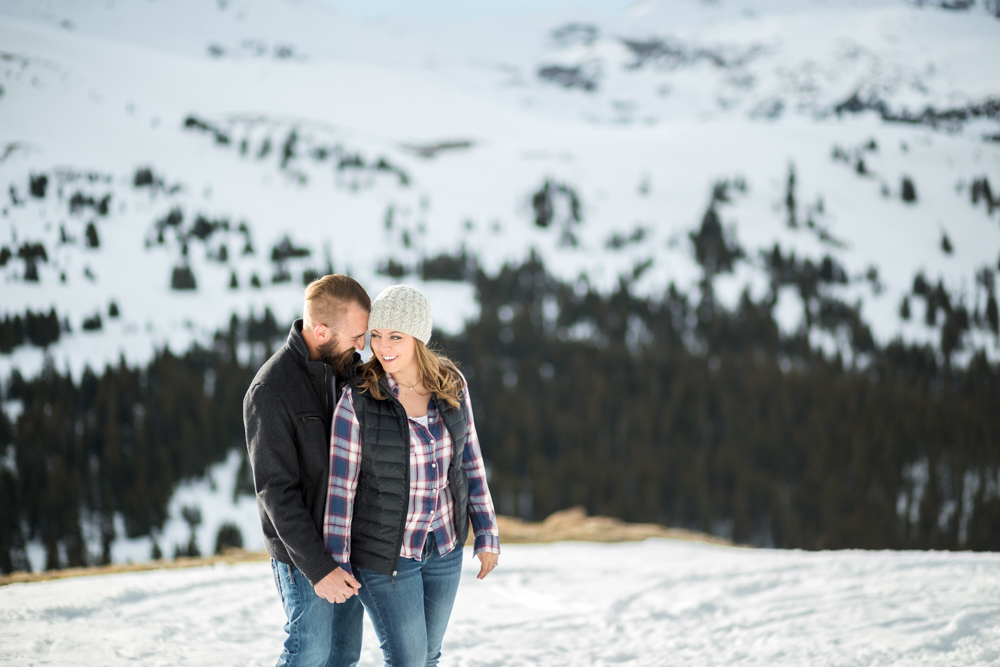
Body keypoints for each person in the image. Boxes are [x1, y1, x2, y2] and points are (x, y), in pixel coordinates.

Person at [324, 284, 500, 667]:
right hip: (386, 555)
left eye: (396, 336)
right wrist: (337, 563)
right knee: (409, 660)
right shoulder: (358, 400)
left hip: (445, 545)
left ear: (418, 337)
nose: (382, 347)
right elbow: (342, 487)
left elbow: (470, 458)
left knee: (429, 656)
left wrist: (486, 532)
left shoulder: (452, 383)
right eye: (376, 335)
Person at [243, 274, 371, 667]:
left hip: (349, 547)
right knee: (309, 654)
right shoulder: (271, 390)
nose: (362, 346)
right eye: (356, 336)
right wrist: (319, 569)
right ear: (321, 331)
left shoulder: (349, 371)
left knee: (343, 656)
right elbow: (276, 493)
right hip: (305, 557)